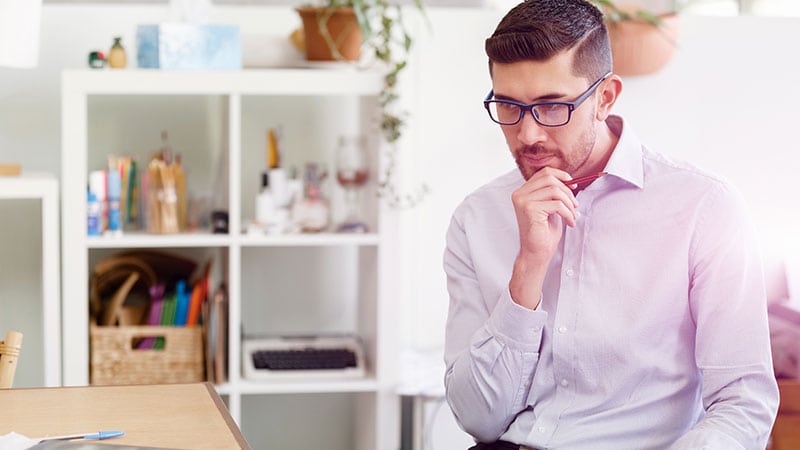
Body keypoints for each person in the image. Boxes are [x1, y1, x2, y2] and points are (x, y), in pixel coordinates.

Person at [442, 1, 779, 449]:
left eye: (552, 106)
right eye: (509, 106)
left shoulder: (705, 208)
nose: (528, 135)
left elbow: (744, 402)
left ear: (605, 97)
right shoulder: (476, 217)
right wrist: (529, 266)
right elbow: (478, 418)